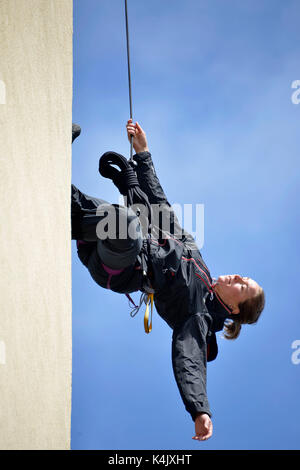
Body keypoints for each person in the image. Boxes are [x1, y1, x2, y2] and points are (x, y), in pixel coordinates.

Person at [71, 120, 265, 441]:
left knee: (127, 222)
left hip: (120, 265)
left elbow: (190, 359)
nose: (237, 277)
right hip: (107, 238)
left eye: (242, 286)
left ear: (233, 307)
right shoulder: (193, 254)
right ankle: (49, 161)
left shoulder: (199, 316)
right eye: (243, 277)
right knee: (80, 204)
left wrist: (199, 409)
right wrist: (143, 155)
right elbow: (160, 208)